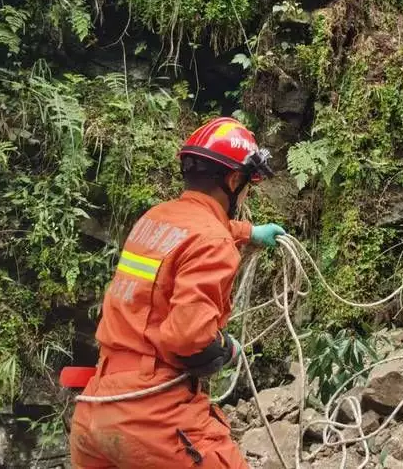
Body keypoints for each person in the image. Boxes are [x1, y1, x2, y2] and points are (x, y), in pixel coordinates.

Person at [70, 117, 287, 469]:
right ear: (234, 180)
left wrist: (248, 232)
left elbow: (194, 234)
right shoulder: (213, 242)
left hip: (96, 408)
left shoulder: (155, 218)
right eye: (247, 185)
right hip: (153, 418)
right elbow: (189, 339)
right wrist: (225, 347)